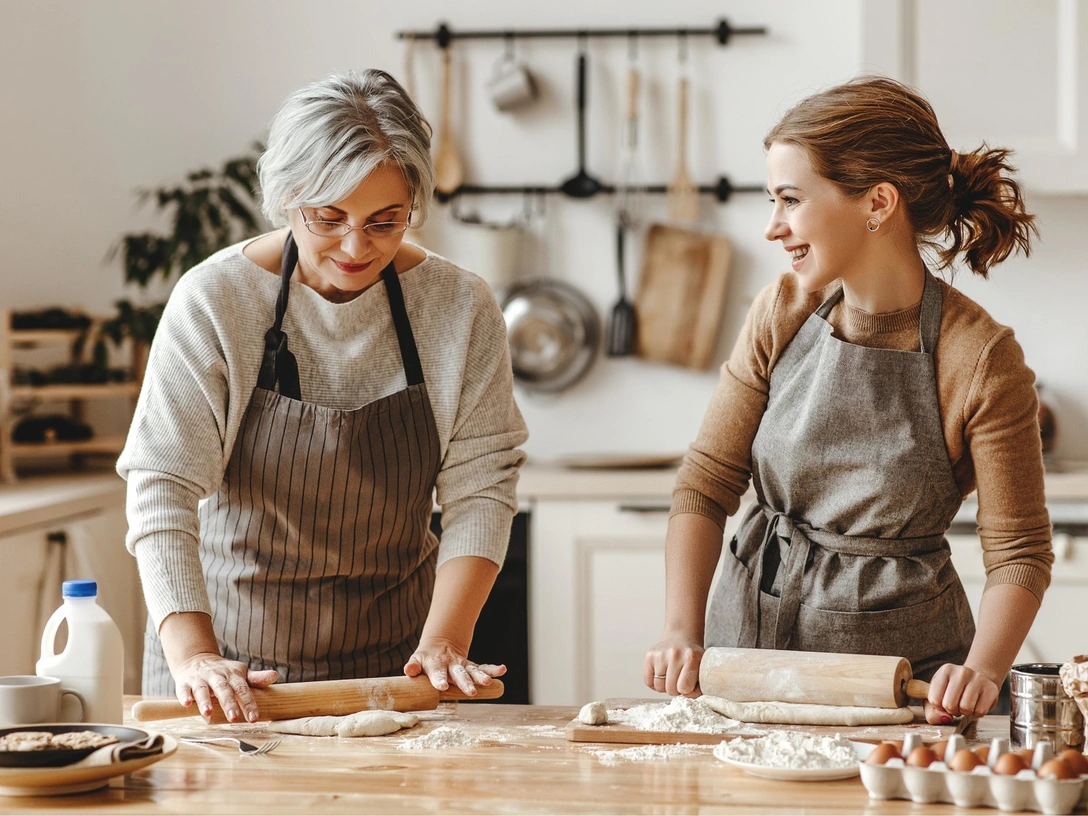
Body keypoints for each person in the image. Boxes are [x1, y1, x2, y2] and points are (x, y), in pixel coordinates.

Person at [118, 70, 527, 723]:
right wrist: (193, 656)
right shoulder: (216, 301)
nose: (357, 246)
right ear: (286, 198)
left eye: (386, 221)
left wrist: (446, 640)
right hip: (229, 672)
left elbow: (482, 487)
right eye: (329, 218)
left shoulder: (459, 306)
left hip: (395, 670)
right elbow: (162, 484)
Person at [644, 76, 1053, 724]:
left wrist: (981, 670)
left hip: (904, 695)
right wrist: (679, 628)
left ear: (878, 203)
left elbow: (1019, 551)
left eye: (791, 199)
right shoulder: (780, 312)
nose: (773, 227)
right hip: (746, 662)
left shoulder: (979, 357)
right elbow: (706, 483)